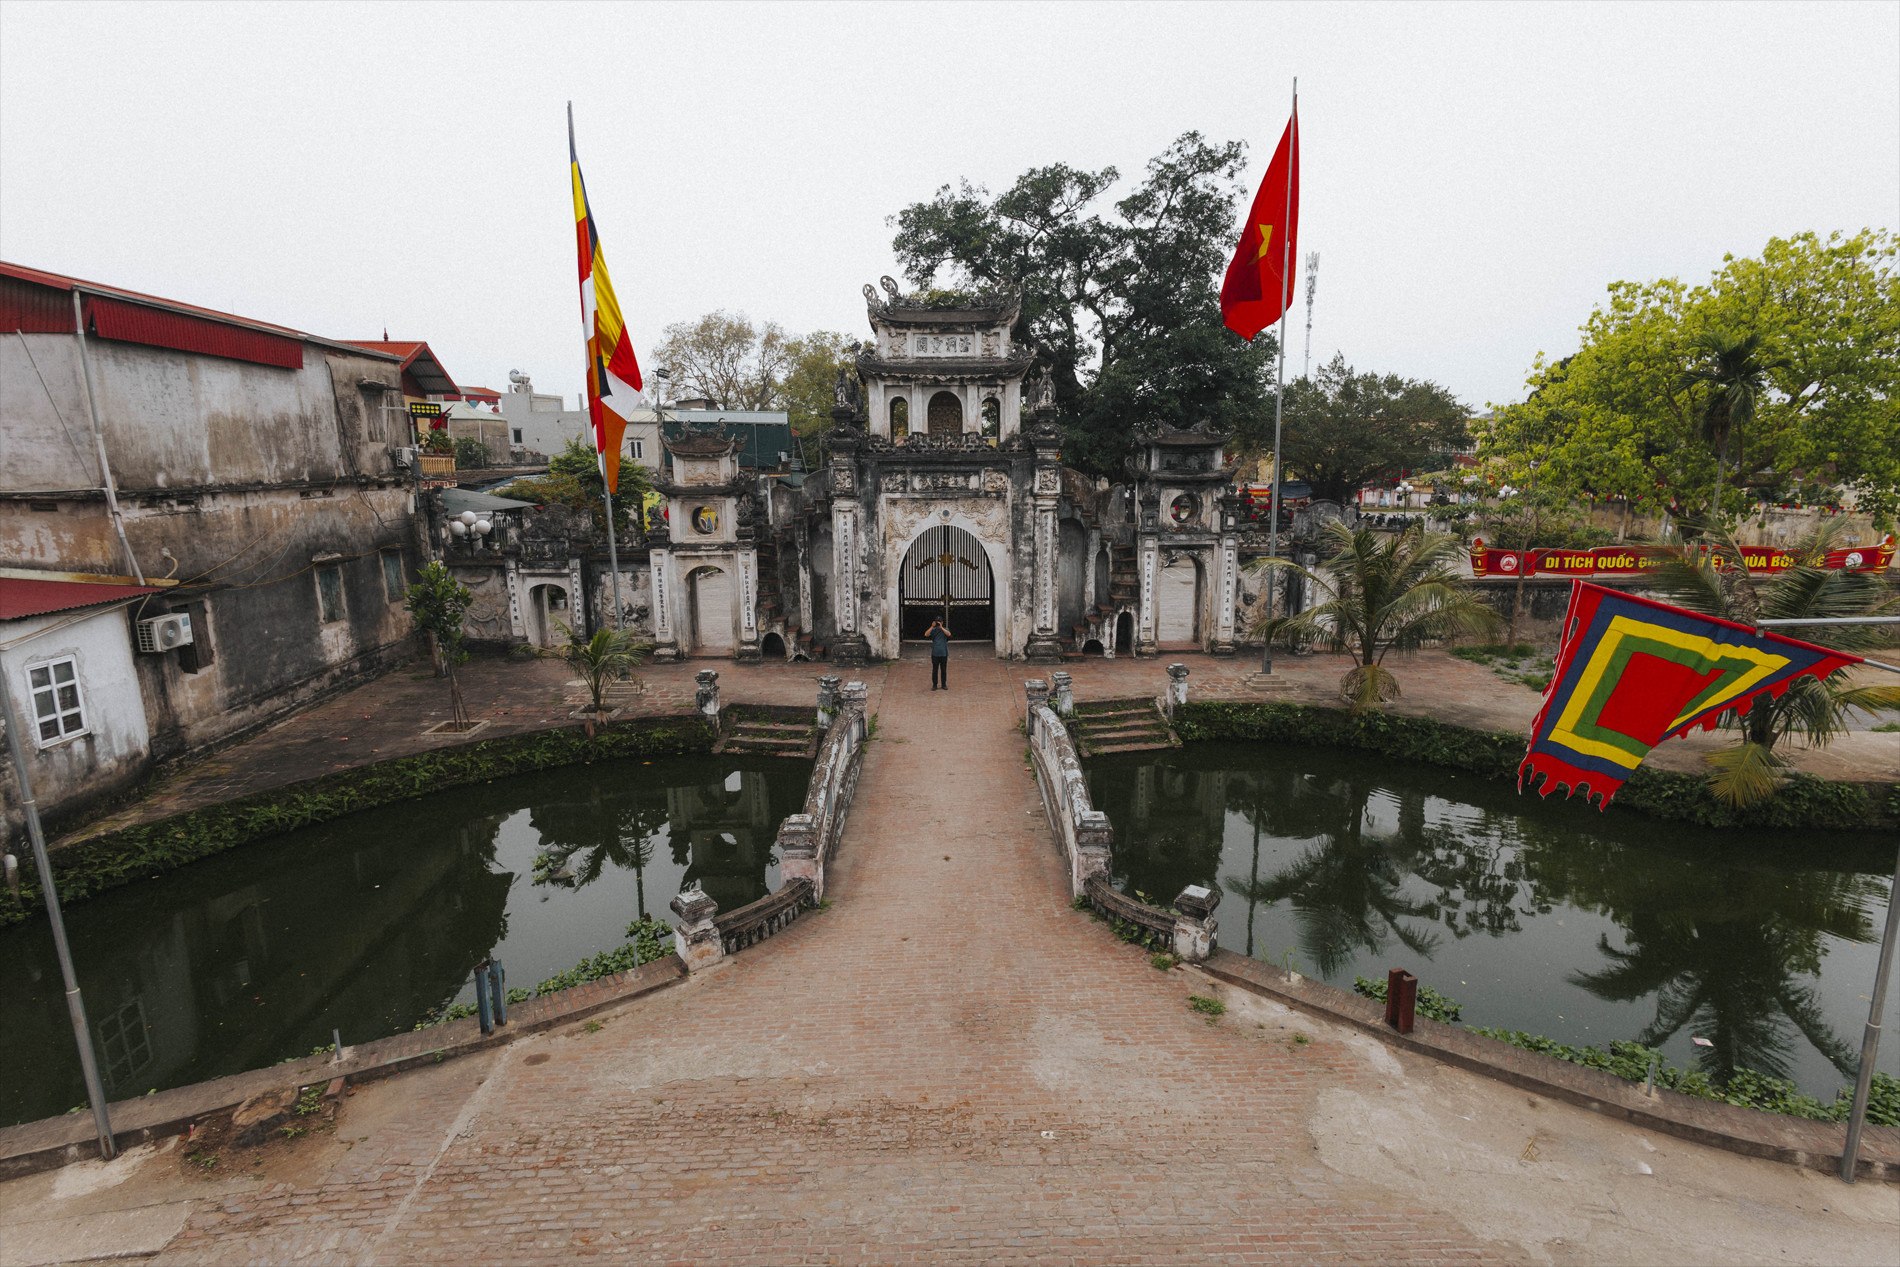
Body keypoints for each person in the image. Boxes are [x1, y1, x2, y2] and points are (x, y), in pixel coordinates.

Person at [926, 617, 950, 690]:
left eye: (939, 622)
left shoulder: (945, 629)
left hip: (943, 653)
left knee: (943, 670)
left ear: (942, 622)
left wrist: (941, 627)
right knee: (935, 670)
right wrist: (932, 626)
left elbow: (949, 634)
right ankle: (934, 684)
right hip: (935, 653)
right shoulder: (933, 630)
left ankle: (943, 684)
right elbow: (926, 634)